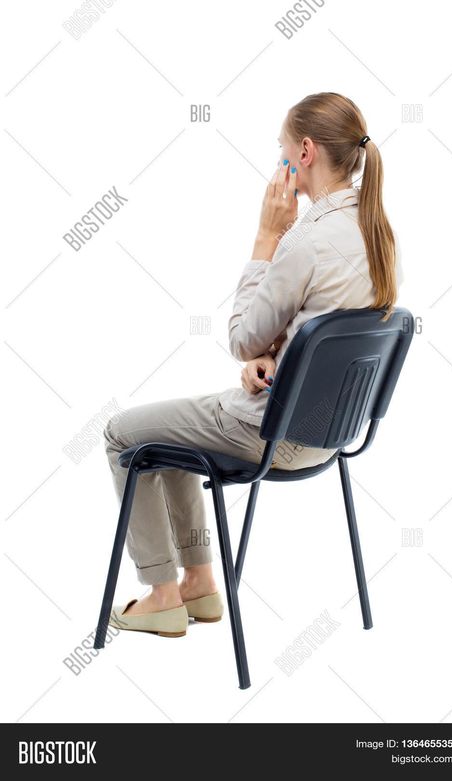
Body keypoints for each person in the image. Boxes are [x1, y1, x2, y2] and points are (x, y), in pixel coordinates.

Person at [106, 91, 403, 637]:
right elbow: (325, 331)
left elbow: (242, 337)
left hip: (271, 434)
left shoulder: (306, 238)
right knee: (167, 439)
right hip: (331, 435)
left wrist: (267, 237)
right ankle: (198, 586)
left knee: (122, 435)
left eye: (282, 148)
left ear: (305, 152)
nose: (278, 161)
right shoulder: (379, 232)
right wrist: (274, 359)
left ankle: (162, 593)